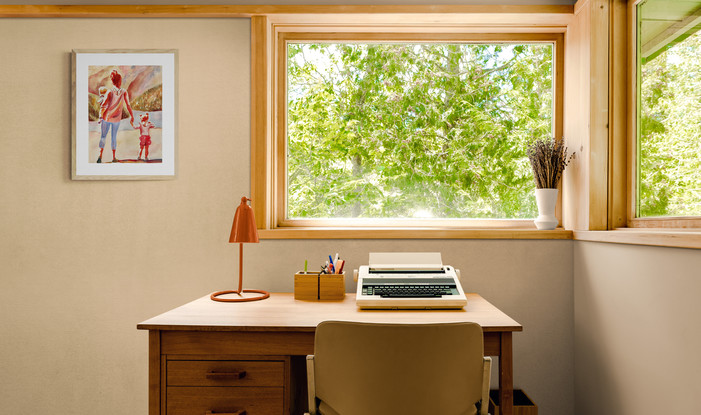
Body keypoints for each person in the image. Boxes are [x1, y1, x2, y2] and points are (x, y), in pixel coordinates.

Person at [97, 70, 134, 163]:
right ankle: (113, 157)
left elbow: (103, 106)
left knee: (103, 136)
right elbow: (128, 105)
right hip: (116, 119)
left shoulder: (109, 92)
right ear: (119, 81)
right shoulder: (123, 92)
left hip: (107, 117)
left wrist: (100, 117)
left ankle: (100, 156)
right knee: (113, 137)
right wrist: (132, 116)